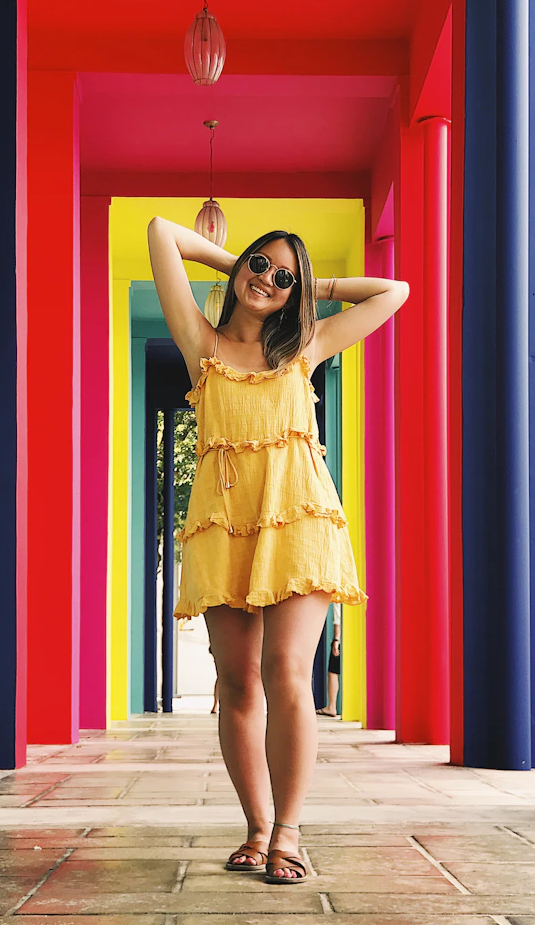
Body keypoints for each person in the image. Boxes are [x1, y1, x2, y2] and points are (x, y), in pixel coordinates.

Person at [148, 218, 408, 884]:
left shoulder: (305, 345)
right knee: (236, 683)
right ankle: (257, 826)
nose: (267, 278)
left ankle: (288, 832)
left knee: (288, 669)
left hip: (299, 521)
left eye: (283, 276)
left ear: (299, 294)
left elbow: (394, 291)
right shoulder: (198, 341)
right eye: (260, 265)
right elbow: (161, 231)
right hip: (223, 524)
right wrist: (241, 259)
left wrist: (314, 286)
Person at [317, 607, 341, 717]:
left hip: (339, 640)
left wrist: (336, 640)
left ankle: (332, 706)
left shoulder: (339, 597)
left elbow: (338, 619)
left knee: (333, 672)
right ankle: (331, 706)